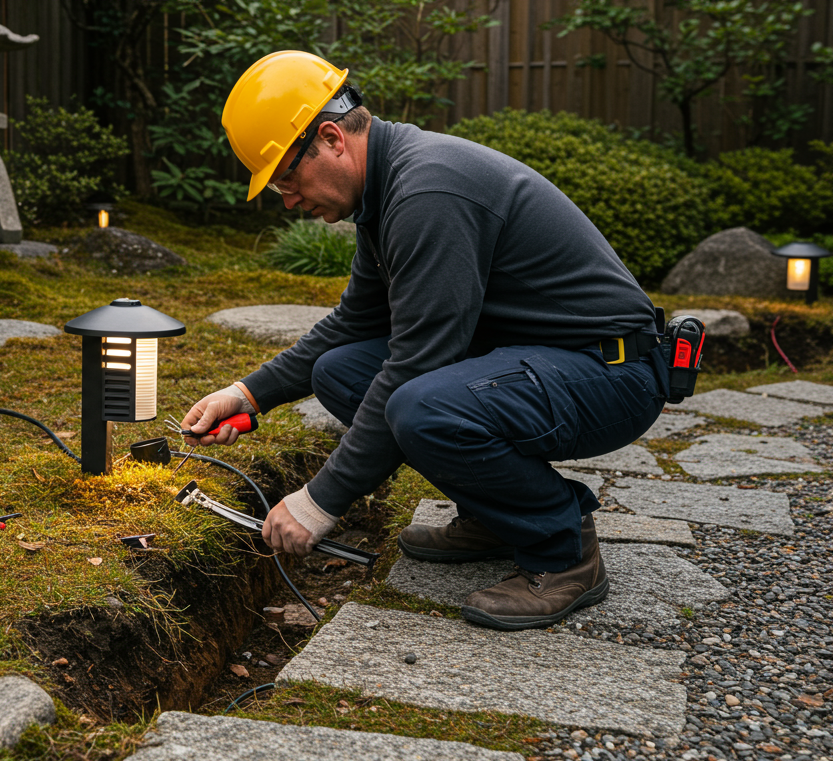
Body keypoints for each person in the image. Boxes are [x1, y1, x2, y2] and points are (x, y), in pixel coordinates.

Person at [180, 50, 670, 631]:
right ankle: (498, 518)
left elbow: (417, 361)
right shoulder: (385, 193)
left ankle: (563, 550)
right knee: (339, 371)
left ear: (331, 139)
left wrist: (318, 501)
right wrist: (246, 394)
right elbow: (355, 323)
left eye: (287, 178)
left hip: (610, 371)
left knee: (421, 405)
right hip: (540, 361)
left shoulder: (428, 193)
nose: (287, 198)